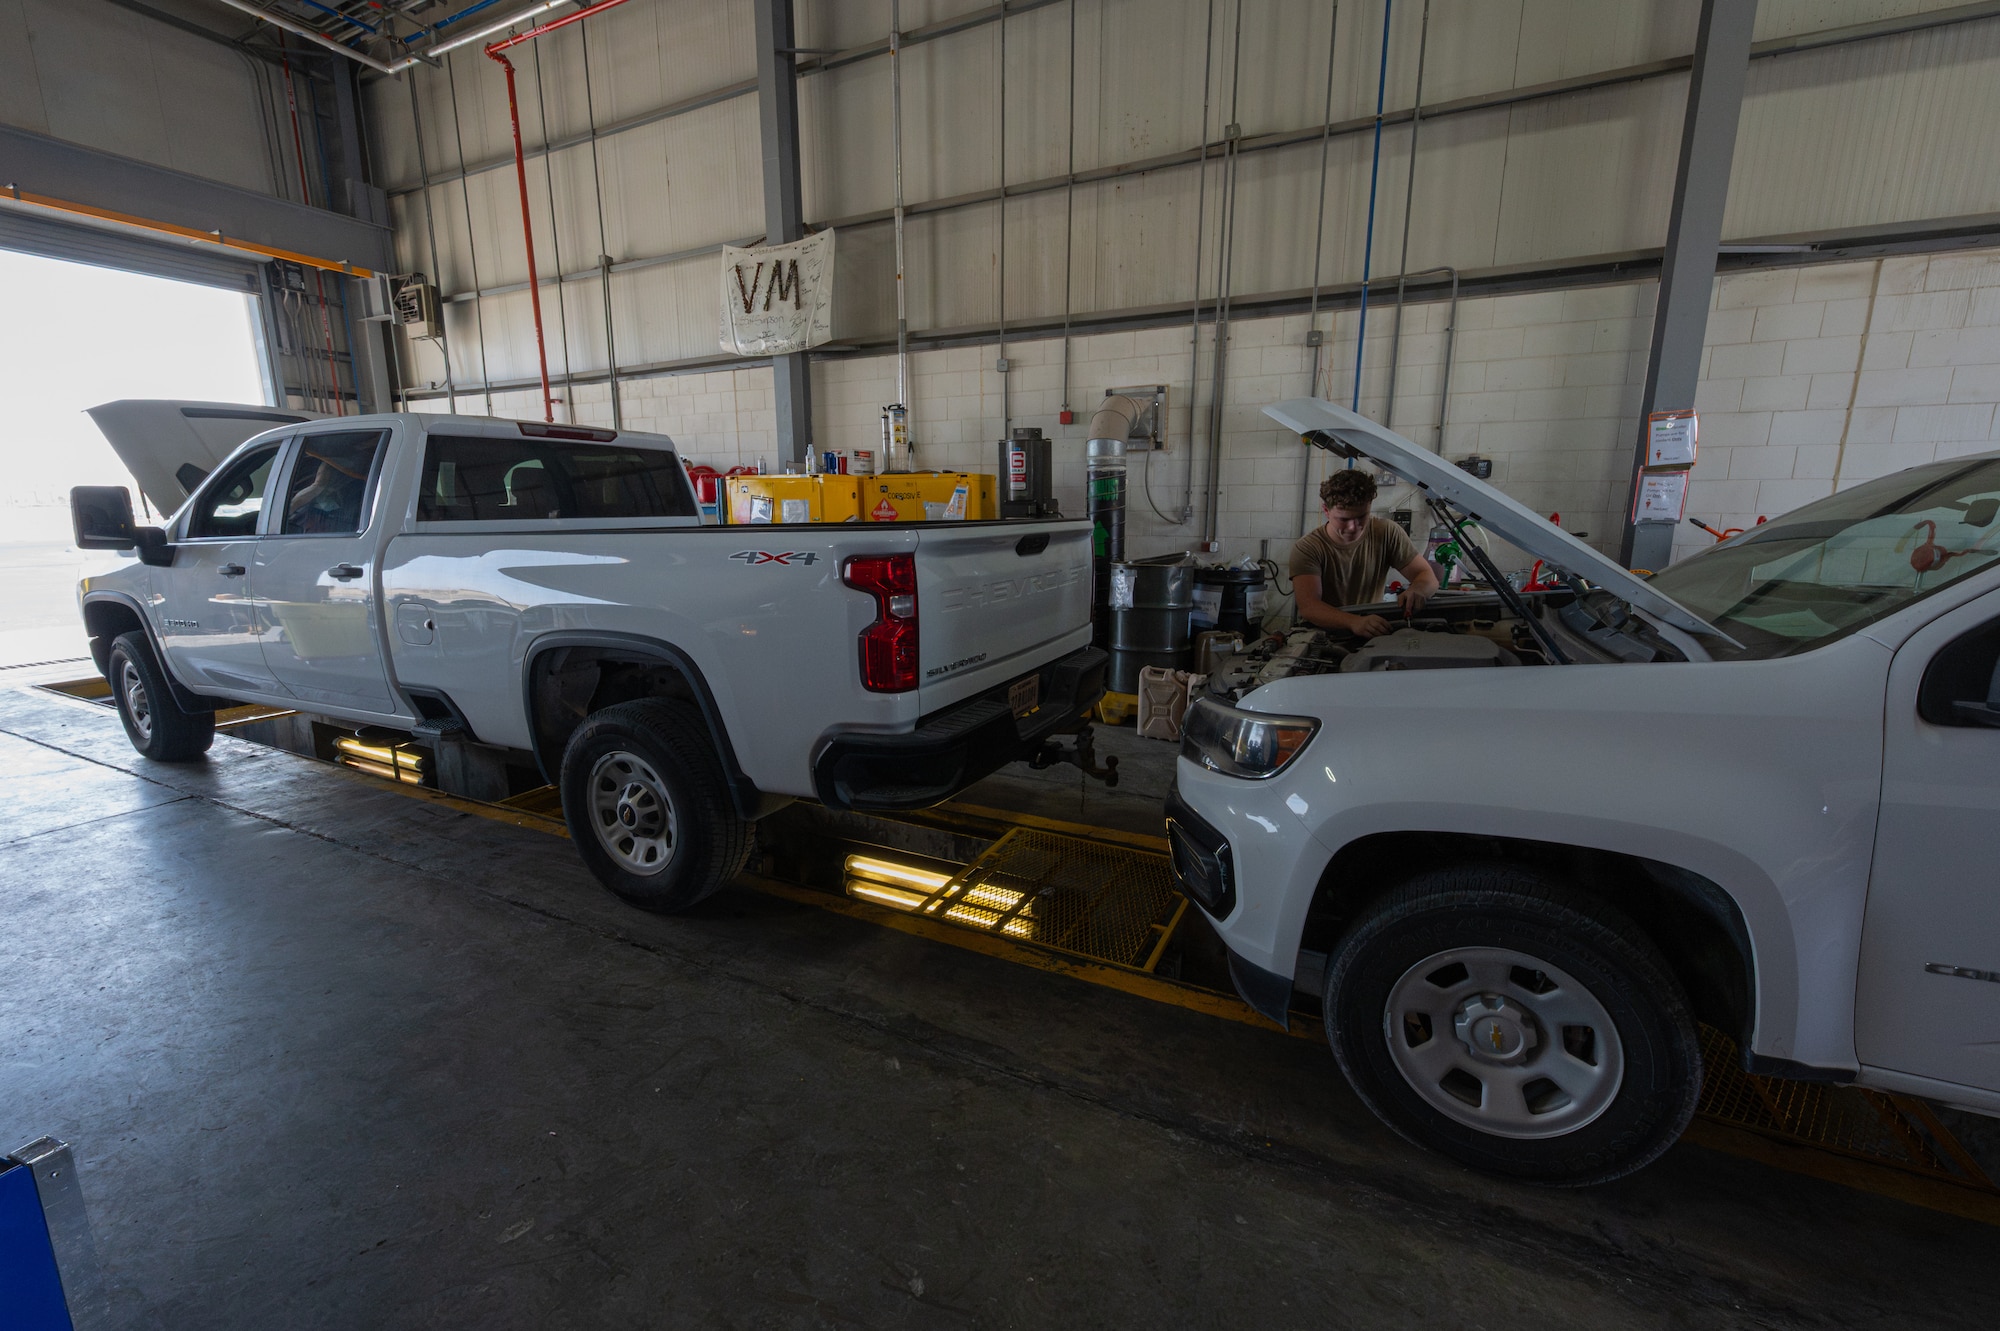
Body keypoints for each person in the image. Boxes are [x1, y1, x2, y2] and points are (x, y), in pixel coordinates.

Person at [1290, 468, 1440, 638]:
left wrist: (1419, 589)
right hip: (1323, 638)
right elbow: (1309, 606)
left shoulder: (1387, 532)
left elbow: (1426, 576)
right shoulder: (1308, 548)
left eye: (1362, 516)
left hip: (1371, 632)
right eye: (1344, 519)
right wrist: (1353, 621)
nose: (1354, 527)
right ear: (1326, 511)